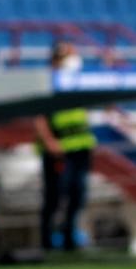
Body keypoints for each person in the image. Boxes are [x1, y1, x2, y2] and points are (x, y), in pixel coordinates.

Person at [35, 42, 95, 252]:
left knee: (77, 194)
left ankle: (70, 238)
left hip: (80, 147)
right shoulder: (46, 81)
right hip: (58, 150)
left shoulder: (77, 82)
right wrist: (50, 141)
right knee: (54, 195)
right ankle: (47, 241)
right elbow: (39, 116)